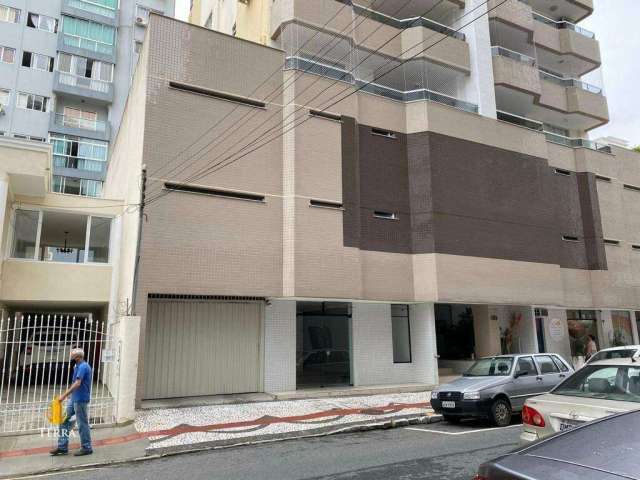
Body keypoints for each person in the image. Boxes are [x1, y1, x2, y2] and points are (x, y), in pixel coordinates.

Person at [50, 348, 93, 456]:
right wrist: (71, 397)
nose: (70, 355)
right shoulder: (77, 366)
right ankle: (62, 447)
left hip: (81, 399)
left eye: (72, 354)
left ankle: (87, 447)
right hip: (75, 398)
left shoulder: (83, 366)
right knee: (64, 421)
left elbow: (78, 383)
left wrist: (64, 396)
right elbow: (75, 383)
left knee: (82, 424)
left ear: (77, 357)